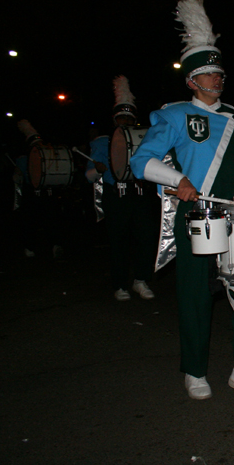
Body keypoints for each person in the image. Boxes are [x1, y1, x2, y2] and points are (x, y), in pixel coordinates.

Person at [130, 0, 234, 399]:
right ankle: (195, 370)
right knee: (196, 296)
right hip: (197, 217)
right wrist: (177, 179)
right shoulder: (173, 114)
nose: (217, 79)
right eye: (208, 74)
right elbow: (141, 161)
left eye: (219, 73)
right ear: (191, 80)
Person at [86, 76, 159, 301]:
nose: (125, 121)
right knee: (118, 241)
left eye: (129, 117)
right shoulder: (102, 143)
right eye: (122, 117)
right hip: (115, 195)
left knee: (146, 239)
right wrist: (98, 169)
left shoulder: (145, 139)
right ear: (115, 118)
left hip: (140, 195)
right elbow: (89, 176)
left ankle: (140, 280)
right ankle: (119, 285)